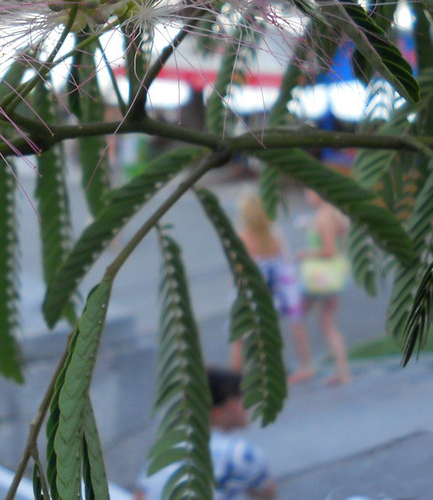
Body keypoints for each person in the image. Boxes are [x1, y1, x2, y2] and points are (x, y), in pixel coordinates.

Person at [134, 367, 278, 500]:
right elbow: (267, 494)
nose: (247, 404)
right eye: (238, 398)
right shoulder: (240, 453)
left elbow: (141, 494)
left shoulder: (167, 447)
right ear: (217, 411)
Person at [229, 192, 315, 384]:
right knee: (286, 328)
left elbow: (236, 271)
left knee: (239, 337)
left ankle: (235, 378)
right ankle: (305, 364)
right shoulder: (273, 234)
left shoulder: (242, 238)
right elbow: (286, 259)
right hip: (278, 290)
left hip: (253, 290)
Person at [298, 188, 352, 386]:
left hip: (320, 277)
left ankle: (306, 365)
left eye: (309, 191)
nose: (307, 195)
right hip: (334, 275)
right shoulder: (334, 214)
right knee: (327, 322)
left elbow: (329, 250)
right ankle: (342, 371)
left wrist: (305, 254)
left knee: (298, 315)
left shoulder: (324, 216)